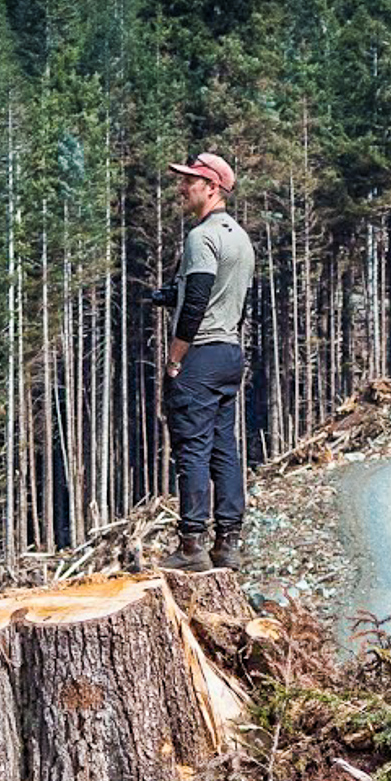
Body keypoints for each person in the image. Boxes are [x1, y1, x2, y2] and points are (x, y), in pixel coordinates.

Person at [160, 151, 254, 572]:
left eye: (189, 181)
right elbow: (228, 297)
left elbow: (198, 299)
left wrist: (175, 357)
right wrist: (168, 295)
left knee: (192, 449)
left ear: (211, 187)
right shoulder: (240, 237)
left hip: (200, 355)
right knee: (224, 449)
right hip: (230, 353)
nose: (182, 188)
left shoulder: (201, 237)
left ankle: (191, 544)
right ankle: (228, 544)